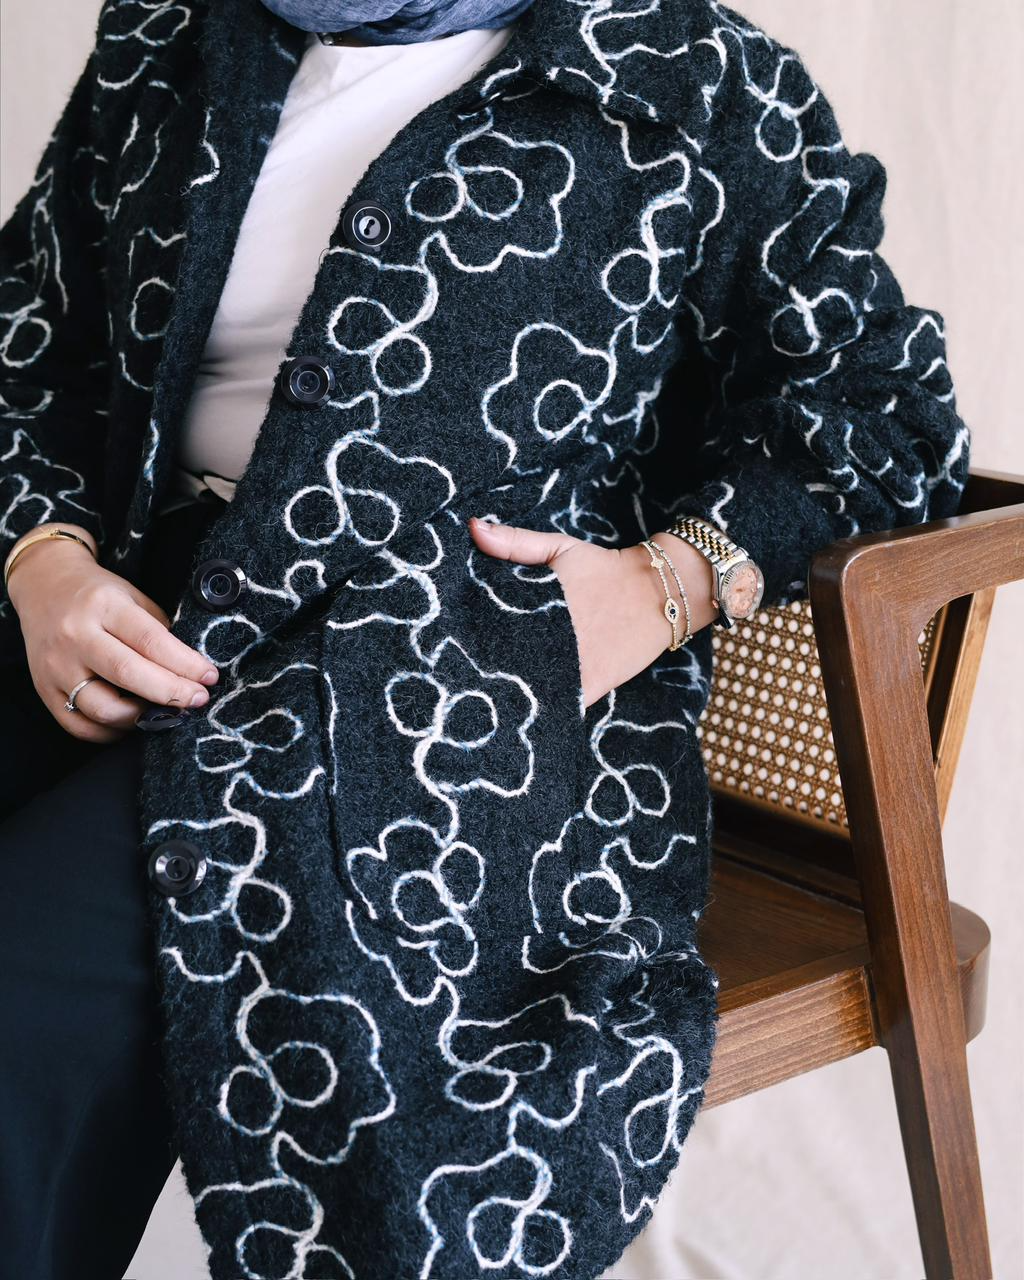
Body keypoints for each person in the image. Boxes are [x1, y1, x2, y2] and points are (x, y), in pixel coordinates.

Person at [0, 0, 970, 1277]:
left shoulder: (686, 77)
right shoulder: (169, 34)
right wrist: (41, 558)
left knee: (24, 992)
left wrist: (668, 582)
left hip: (441, 695)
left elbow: (886, 418)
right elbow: (31, 336)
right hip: (135, 610)